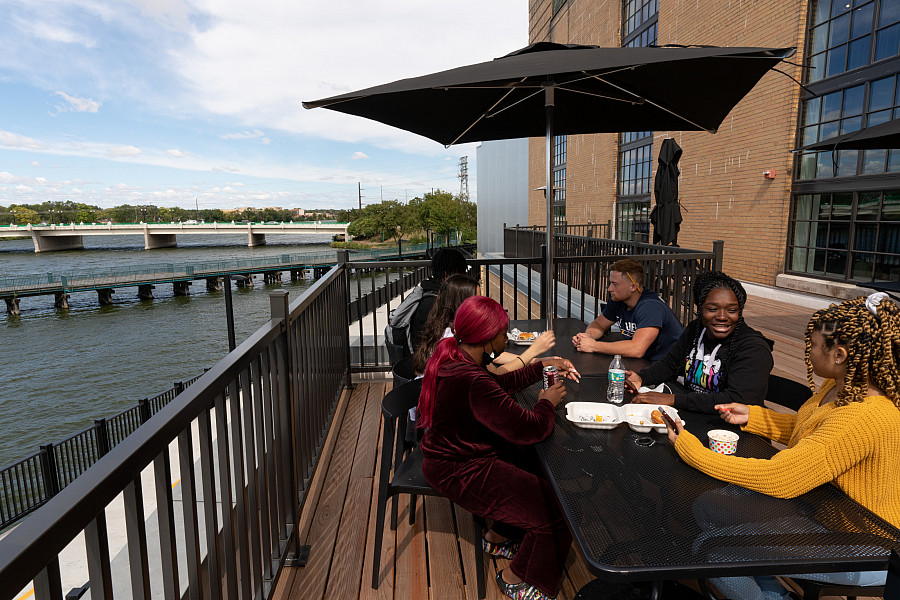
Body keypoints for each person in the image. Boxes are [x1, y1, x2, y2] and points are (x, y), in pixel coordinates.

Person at [663, 293, 900, 600]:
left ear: (839, 355)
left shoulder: (863, 416)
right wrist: (754, 416)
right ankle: (774, 591)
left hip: (867, 545)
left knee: (712, 552)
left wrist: (691, 449)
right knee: (708, 507)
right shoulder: (842, 385)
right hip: (825, 509)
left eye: (813, 346)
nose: (809, 352)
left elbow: (780, 478)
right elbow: (815, 435)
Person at [419, 296, 579, 600]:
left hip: (456, 459)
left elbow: (495, 387)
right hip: (461, 470)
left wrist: (540, 366)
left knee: (528, 466)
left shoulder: (457, 358)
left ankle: (498, 537)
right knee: (556, 511)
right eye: (504, 334)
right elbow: (528, 428)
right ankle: (518, 577)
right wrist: (547, 402)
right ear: (488, 337)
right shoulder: (469, 377)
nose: (506, 339)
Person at [625, 271, 774, 414]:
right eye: (712, 309)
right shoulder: (697, 329)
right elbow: (671, 363)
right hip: (695, 415)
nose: (722, 316)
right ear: (700, 309)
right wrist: (642, 377)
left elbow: (737, 400)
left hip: (734, 431)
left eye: (732, 310)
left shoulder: (754, 349)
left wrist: (673, 400)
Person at [412, 273, 556, 375]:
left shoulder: (442, 328)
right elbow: (498, 374)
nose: (481, 304)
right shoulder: (454, 340)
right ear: (463, 305)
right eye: (477, 300)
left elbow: (495, 357)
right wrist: (533, 352)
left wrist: (537, 360)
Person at [572, 258, 682, 361]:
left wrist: (594, 346)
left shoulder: (650, 306)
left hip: (669, 369)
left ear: (633, 287)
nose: (610, 289)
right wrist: (588, 336)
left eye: (615, 284)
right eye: (610, 283)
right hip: (643, 363)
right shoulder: (618, 300)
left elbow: (637, 349)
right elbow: (599, 324)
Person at [385, 247, 468, 357]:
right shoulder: (437, 304)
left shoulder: (427, 294)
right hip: (427, 368)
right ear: (446, 274)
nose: (465, 278)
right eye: (461, 273)